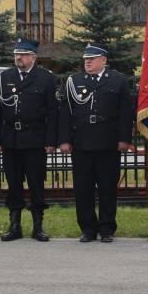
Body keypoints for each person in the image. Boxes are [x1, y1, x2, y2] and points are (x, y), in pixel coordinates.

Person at [59, 43, 133, 243]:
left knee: (108, 187)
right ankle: (88, 229)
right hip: (81, 143)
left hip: (108, 142)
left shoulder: (118, 81)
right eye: (85, 59)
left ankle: (107, 228)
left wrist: (124, 139)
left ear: (104, 60)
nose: (88, 62)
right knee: (83, 189)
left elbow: (126, 113)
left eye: (92, 58)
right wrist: (64, 140)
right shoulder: (74, 82)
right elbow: (65, 113)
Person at [0, 38, 58, 242]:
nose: (18, 58)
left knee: (36, 183)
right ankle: (15, 225)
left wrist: (50, 141)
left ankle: (38, 226)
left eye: (22, 54)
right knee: (13, 185)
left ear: (33, 57)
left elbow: (53, 112)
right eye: (16, 54)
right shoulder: (5, 77)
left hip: (35, 138)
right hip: (11, 139)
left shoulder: (45, 78)